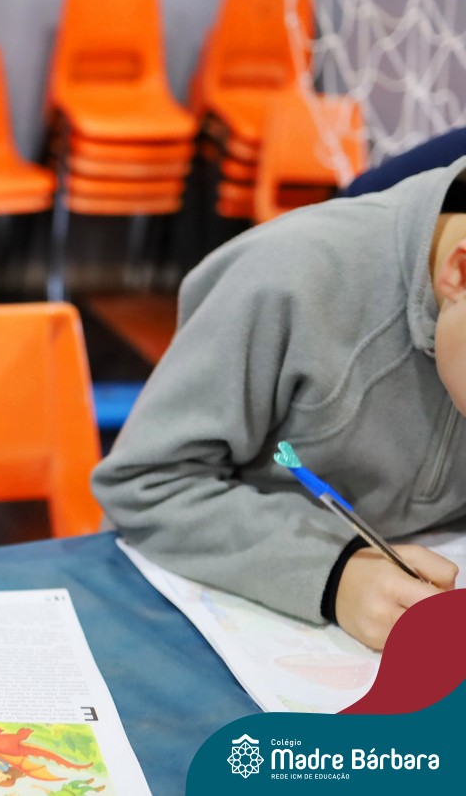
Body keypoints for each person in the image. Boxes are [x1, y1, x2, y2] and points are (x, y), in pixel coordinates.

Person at [93, 155, 466, 650]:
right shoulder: (289, 276)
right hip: (193, 612)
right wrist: (335, 573)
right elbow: (144, 484)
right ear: (460, 272)